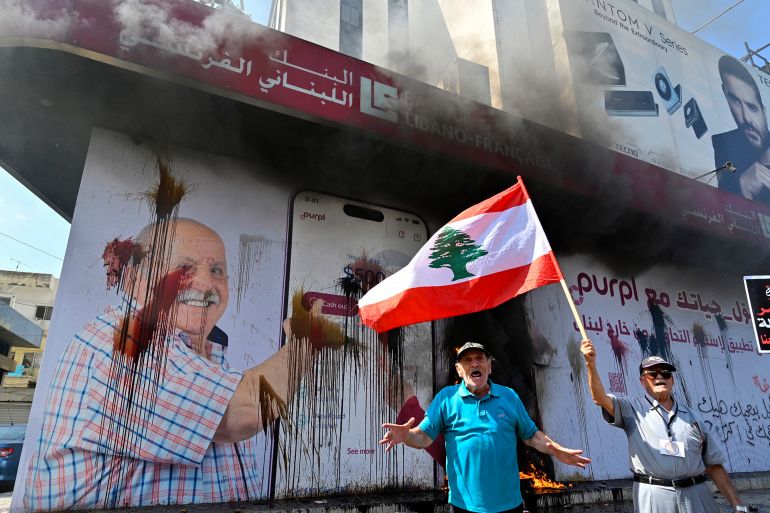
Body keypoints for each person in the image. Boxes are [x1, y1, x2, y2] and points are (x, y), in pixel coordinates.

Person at [25, 219, 293, 510]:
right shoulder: (125, 340)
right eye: (183, 267)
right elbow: (244, 412)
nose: (205, 284)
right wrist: (307, 340)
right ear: (134, 281)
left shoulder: (202, 354)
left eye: (216, 270)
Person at [379, 342, 590, 513]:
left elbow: (532, 436)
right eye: (467, 360)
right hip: (465, 505)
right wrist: (406, 435)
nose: (474, 364)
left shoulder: (509, 396)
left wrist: (555, 449)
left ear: (489, 366)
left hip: (509, 504)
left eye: (479, 359)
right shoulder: (446, 398)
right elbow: (423, 437)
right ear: (459, 371)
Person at [580, 339, 748, 513]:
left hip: (697, 495)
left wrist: (738, 505)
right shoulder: (631, 408)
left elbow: (714, 466)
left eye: (666, 373)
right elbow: (599, 398)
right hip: (654, 495)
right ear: (642, 381)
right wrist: (590, 364)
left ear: (672, 380)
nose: (660, 377)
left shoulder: (694, 417)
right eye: (653, 374)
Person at [713, 54, 770, 203]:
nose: (746, 118)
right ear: (725, 94)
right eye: (736, 101)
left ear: (764, 111)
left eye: (752, 107)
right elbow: (727, 169)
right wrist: (741, 183)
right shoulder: (723, 145)